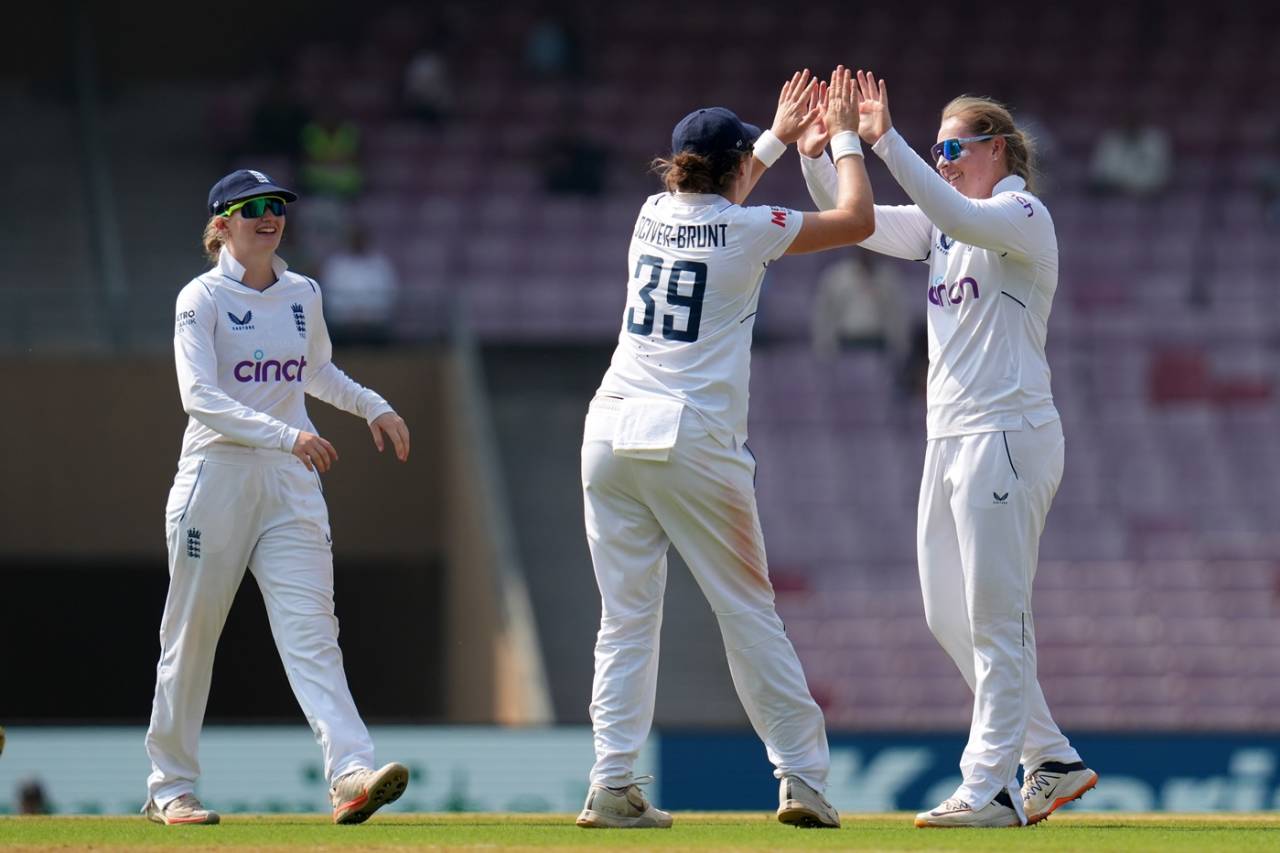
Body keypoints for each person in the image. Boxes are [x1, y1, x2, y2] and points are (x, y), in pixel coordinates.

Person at [577, 68, 874, 831]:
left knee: (625, 617)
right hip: (691, 437)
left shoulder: (649, 212)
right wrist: (840, 135)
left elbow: (722, 198)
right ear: (737, 164)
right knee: (746, 610)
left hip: (609, 428)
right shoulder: (751, 228)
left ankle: (611, 781)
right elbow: (857, 219)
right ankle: (802, 776)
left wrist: (770, 140)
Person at [798, 73, 1096, 828]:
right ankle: (1051, 758)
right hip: (951, 439)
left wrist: (884, 141)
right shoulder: (944, 226)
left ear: (997, 149)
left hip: (1007, 435)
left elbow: (949, 204)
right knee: (947, 615)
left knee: (996, 618)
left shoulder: (1022, 212)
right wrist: (823, 152)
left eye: (953, 145)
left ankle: (989, 786)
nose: (944, 157)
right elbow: (857, 222)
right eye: (937, 147)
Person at [143, 169, 413, 826]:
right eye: (254, 208)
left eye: (277, 207)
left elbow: (315, 369)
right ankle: (169, 787)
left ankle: (350, 772)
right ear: (221, 224)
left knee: (314, 632)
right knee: (192, 635)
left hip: (290, 484)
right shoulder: (199, 299)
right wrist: (286, 433)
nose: (270, 217)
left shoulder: (303, 292)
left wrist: (370, 404)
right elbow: (199, 397)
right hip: (218, 476)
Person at [320, 223, 400, 347]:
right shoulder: (336, 263)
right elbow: (329, 296)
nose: (357, 241)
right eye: (354, 238)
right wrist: (350, 315)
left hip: (374, 323)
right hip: (342, 324)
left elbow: (388, 296)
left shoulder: (380, 264)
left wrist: (367, 314)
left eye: (360, 238)